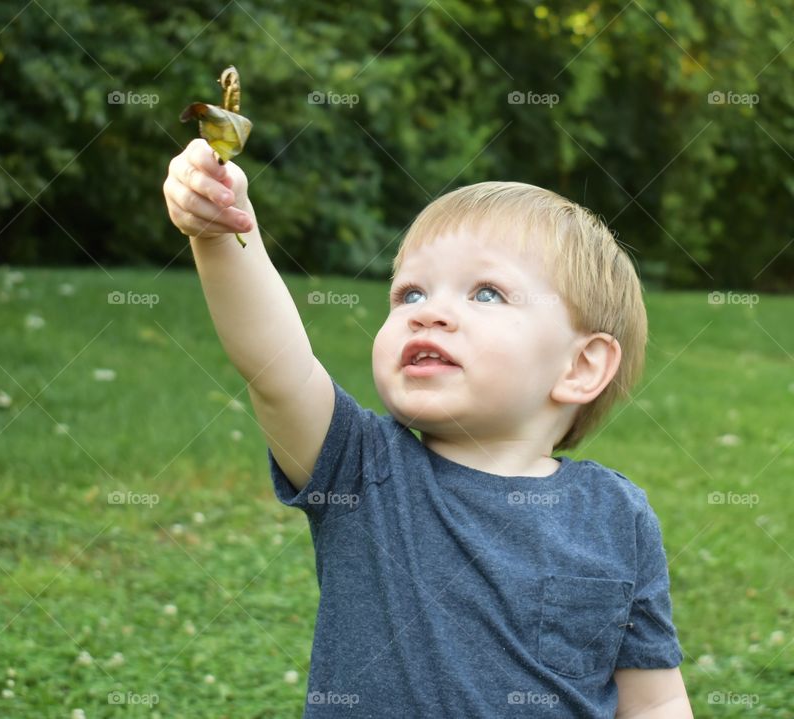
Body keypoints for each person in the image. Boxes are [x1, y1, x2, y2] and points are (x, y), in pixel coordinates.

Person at [163, 138, 694, 717]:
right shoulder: (362, 468)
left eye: (486, 293)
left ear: (580, 366)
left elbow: (653, 699)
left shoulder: (618, 516)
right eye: (410, 292)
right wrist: (219, 235)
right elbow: (275, 368)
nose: (428, 311)